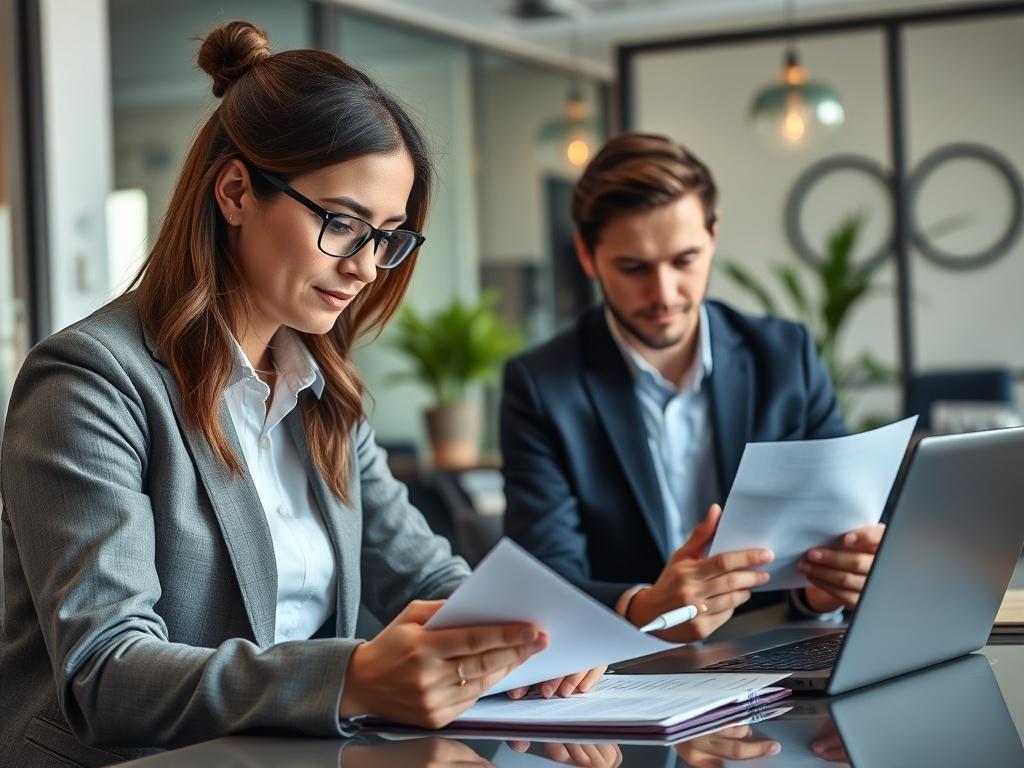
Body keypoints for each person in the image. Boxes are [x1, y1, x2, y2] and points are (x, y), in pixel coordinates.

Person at [0, 22, 600, 767]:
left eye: (387, 236)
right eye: (343, 224)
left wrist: (540, 636)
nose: (367, 269)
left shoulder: (324, 394)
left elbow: (428, 575)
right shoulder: (91, 381)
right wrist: (351, 677)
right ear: (235, 192)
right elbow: (105, 673)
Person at [501, 133, 885, 641]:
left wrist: (829, 584)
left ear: (713, 236)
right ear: (587, 256)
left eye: (684, 260)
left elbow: (835, 524)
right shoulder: (542, 385)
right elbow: (545, 580)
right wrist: (643, 608)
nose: (663, 293)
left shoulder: (784, 356)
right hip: (624, 675)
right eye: (633, 267)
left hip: (778, 654)